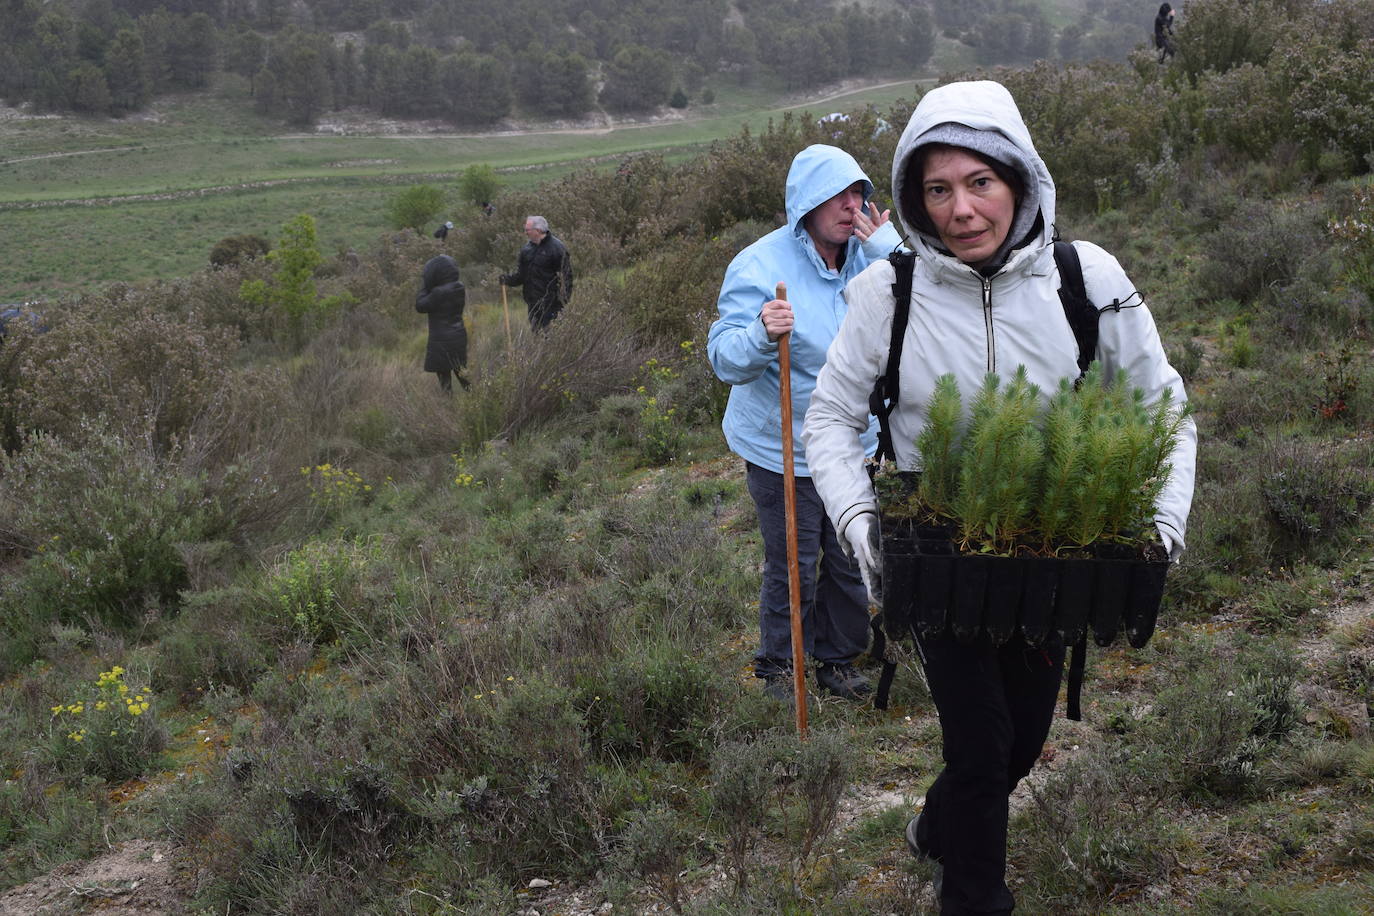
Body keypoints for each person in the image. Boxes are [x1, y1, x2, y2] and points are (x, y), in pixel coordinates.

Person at [802, 80, 1196, 914]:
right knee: (980, 749)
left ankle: (931, 830)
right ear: (914, 197)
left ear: (1020, 180)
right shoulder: (889, 291)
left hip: (1055, 542)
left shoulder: (1083, 278)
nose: (961, 210)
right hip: (936, 545)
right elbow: (831, 418)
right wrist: (861, 527)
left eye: (980, 182)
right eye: (938, 189)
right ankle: (975, 896)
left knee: (1017, 745)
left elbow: (1161, 403)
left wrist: (1162, 527)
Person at [708, 144, 903, 702]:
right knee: (794, 559)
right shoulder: (759, 266)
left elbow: (929, 301)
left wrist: (891, 249)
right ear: (806, 205)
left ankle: (837, 662)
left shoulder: (873, 255)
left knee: (850, 554)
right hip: (782, 445)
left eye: (858, 194)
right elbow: (724, 359)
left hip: (852, 442)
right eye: (836, 196)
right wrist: (760, 334)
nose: (850, 207)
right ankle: (778, 666)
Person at [500, 215, 573, 331]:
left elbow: (567, 278)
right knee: (537, 337)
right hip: (533, 305)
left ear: (538, 230)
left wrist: (562, 302)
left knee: (551, 338)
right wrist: (508, 280)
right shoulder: (526, 250)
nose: (525, 232)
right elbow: (522, 276)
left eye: (527, 230)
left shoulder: (557, 249)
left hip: (552, 306)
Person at [415, 254, 470, 393]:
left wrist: (425, 286)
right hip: (458, 335)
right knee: (462, 373)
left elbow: (420, 306)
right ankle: (475, 399)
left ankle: (449, 407)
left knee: (445, 380)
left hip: (441, 340)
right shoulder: (459, 287)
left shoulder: (438, 292)